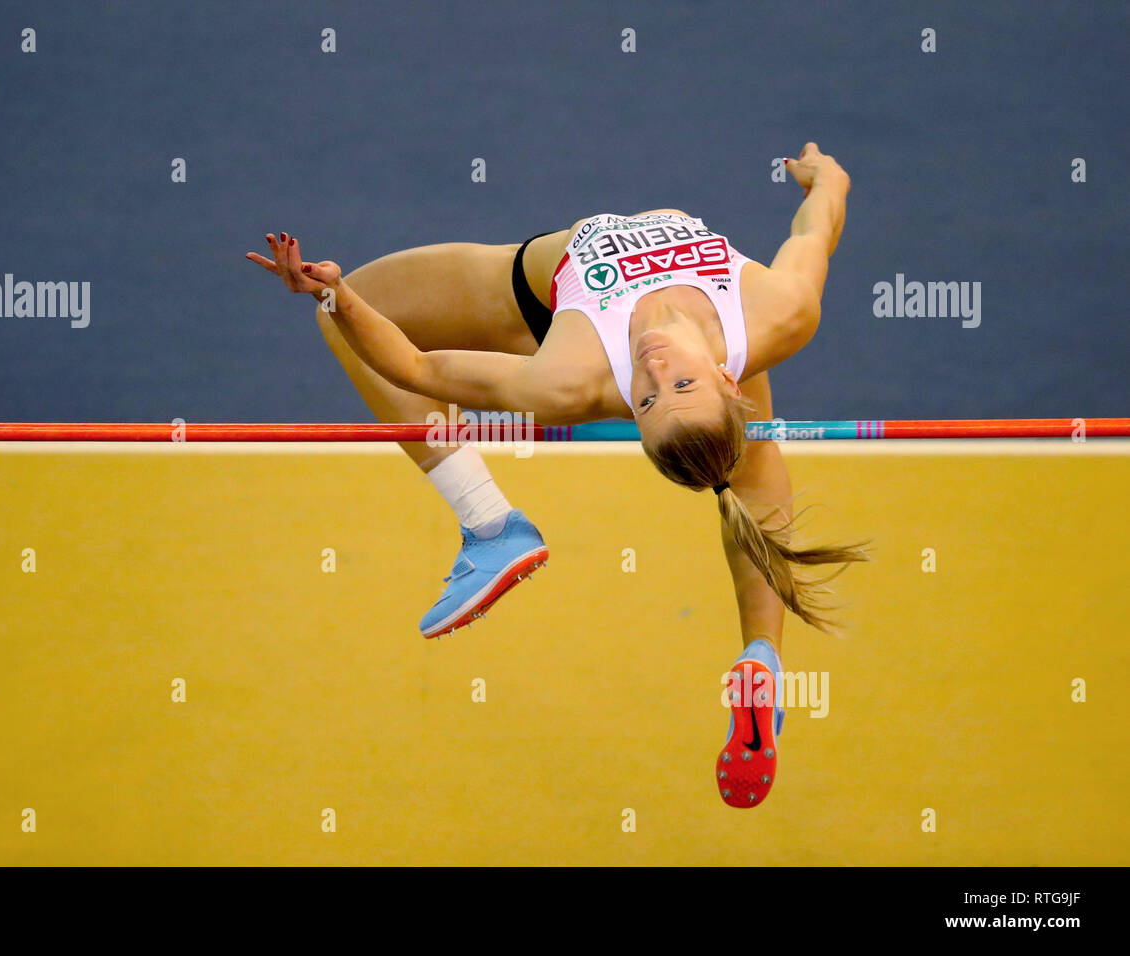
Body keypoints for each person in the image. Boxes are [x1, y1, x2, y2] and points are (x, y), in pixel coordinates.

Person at [248, 142, 869, 807]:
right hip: (702, 339)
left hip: (537, 301)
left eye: (650, 401)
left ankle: (490, 524)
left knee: (355, 311)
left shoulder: (570, 376)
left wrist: (338, 295)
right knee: (745, 453)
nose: (656, 370)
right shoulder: (780, 310)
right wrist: (824, 175)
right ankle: (762, 661)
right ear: (722, 377)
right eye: (679, 383)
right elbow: (819, 222)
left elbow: (416, 369)